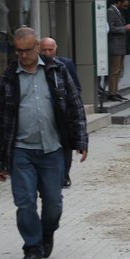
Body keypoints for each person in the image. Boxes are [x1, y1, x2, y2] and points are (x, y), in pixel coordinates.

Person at [0, 27, 89, 259]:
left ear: (37, 47)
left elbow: (74, 106)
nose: (23, 56)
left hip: (53, 149)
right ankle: (32, 248)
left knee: (53, 202)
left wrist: (81, 140)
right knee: (25, 203)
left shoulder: (57, 71)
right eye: (18, 51)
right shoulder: (8, 78)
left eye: (27, 50)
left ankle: (47, 233)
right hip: (21, 150)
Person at [39, 37, 80, 187]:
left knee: (65, 145)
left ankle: (64, 175)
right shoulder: (36, 66)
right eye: (44, 50)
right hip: (45, 113)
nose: (47, 53)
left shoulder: (65, 64)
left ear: (56, 49)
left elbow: (76, 87)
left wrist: (70, 107)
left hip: (63, 113)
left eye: (50, 49)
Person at [106, 0, 130, 102]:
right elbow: (110, 28)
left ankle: (116, 91)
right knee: (114, 70)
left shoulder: (118, 12)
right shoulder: (111, 11)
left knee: (118, 70)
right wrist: (124, 28)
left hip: (120, 46)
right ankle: (112, 92)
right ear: (119, 2)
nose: (125, 8)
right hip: (115, 46)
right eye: (124, 5)